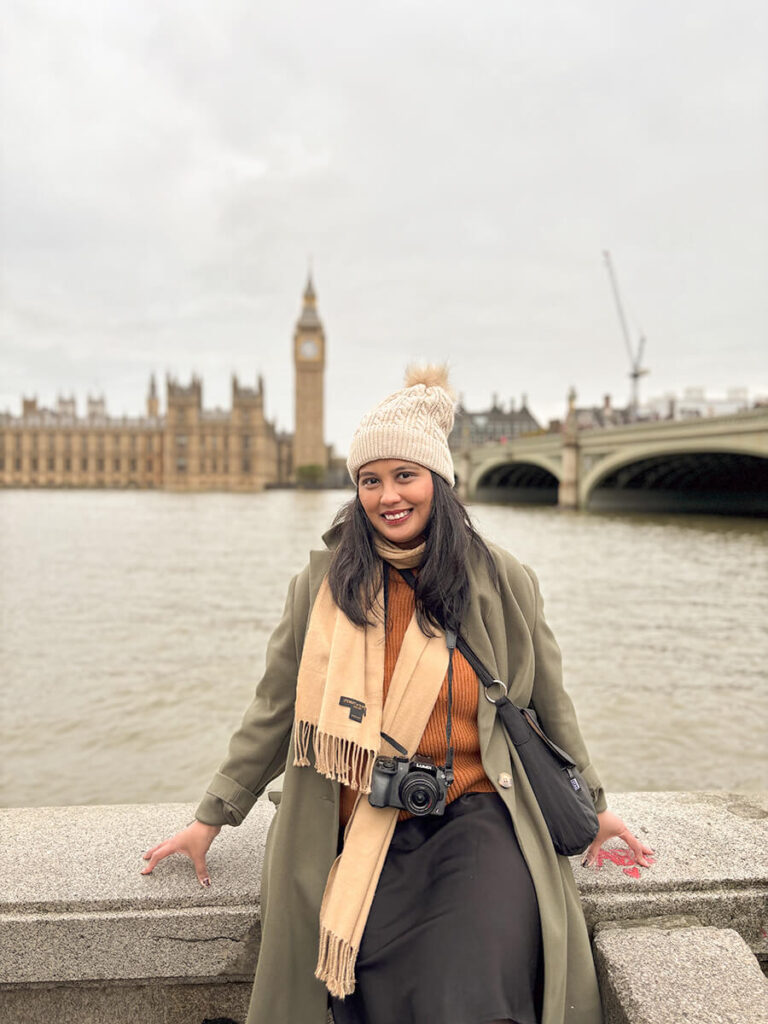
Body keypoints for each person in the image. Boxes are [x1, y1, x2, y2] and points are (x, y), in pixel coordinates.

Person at [141, 366, 653, 1024]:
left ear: (437, 481)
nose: (388, 496)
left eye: (404, 476)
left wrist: (595, 808)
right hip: (362, 821)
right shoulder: (323, 588)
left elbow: (552, 708)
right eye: (370, 480)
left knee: (473, 988)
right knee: (360, 983)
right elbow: (273, 713)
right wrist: (211, 816)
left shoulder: (503, 582)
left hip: (477, 816)